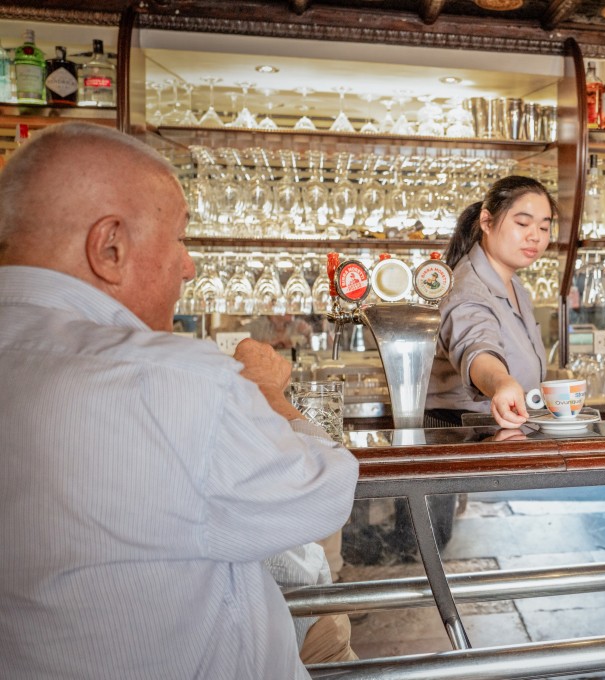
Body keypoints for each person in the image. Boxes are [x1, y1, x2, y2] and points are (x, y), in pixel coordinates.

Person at [0, 123, 360, 679]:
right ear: (110, 247)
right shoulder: (170, 380)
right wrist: (267, 395)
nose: (189, 266)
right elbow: (324, 495)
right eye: (179, 239)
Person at [426, 175, 556, 429]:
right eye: (522, 223)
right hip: (463, 434)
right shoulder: (467, 289)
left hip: (502, 430)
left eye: (543, 228)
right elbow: (477, 348)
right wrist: (500, 383)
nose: (535, 237)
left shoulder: (514, 284)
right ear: (486, 221)